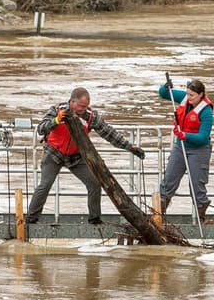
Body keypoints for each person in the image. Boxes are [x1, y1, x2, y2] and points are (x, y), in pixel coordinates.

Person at [27, 87, 145, 225]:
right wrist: (57, 120)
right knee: (45, 185)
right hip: (53, 153)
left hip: (76, 156)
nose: (82, 110)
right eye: (80, 106)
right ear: (72, 101)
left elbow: (109, 133)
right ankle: (31, 218)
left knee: (95, 183)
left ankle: (94, 219)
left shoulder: (91, 117)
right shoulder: (56, 110)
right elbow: (41, 128)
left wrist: (130, 147)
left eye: (85, 107)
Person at [158, 78, 214, 221]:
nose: (188, 98)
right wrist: (165, 87)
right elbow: (163, 94)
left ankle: (201, 208)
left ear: (201, 94)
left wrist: (185, 135)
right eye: (188, 94)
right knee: (169, 179)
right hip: (180, 147)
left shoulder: (206, 111)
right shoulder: (184, 98)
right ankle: (159, 211)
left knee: (197, 183)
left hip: (199, 150)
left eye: (192, 96)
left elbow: (202, 137)